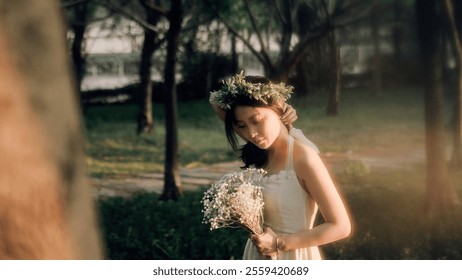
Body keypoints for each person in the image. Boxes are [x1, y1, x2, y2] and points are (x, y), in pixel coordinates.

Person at [209, 72, 352, 260]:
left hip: (293, 255)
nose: (251, 133)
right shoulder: (263, 152)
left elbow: (341, 226)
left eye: (257, 121)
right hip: (257, 254)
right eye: (241, 126)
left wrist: (278, 243)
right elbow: (215, 102)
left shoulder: (304, 159)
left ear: (277, 110)